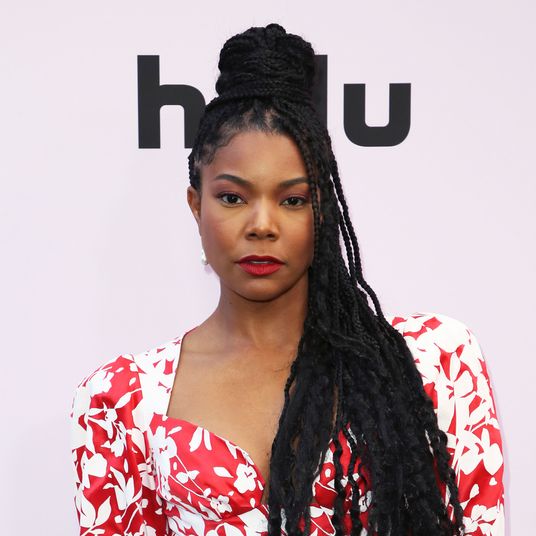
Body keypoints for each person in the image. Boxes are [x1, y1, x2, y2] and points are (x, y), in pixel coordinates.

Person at [70, 23, 505, 536]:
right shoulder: (121, 401)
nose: (262, 224)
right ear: (196, 205)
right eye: (232, 197)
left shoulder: (436, 360)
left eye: (293, 199)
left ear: (323, 210)